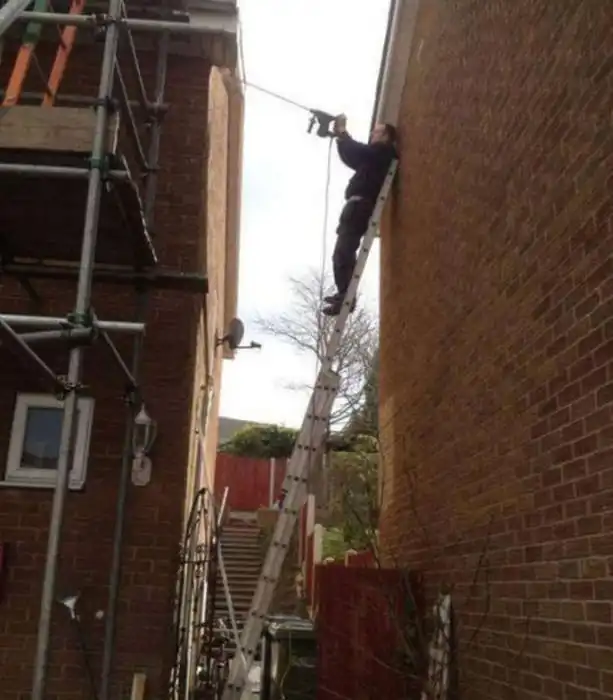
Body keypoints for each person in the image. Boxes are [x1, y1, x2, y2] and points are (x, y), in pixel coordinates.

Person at [322, 115, 398, 316]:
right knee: (341, 252)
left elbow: (359, 151)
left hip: (360, 206)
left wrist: (343, 133)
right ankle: (344, 294)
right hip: (355, 206)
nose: (372, 134)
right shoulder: (371, 159)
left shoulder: (383, 153)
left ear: (386, 136)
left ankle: (346, 298)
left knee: (344, 251)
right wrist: (341, 139)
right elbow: (352, 156)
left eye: (377, 131)